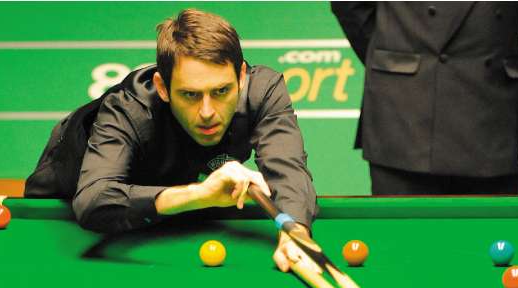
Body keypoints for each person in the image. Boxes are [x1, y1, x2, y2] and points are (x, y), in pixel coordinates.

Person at [25, 9, 317, 271]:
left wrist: (296, 232)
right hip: (71, 177)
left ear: (241, 78)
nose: (207, 113)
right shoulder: (128, 109)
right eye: (190, 94)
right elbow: (94, 200)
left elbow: (288, 168)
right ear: (162, 87)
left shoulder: (264, 92)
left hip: (173, 186)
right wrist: (199, 195)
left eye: (221, 92)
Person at [331, 2, 518, 195]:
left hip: (495, 117)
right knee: (402, 245)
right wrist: (399, 65)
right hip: (403, 119)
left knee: (490, 245)